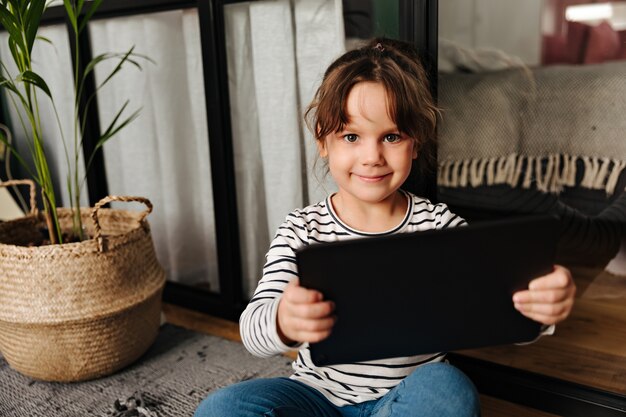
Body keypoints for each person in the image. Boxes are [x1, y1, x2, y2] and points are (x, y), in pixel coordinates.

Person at [194, 38, 576, 417]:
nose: (372, 156)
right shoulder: (302, 229)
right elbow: (251, 331)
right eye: (351, 136)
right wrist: (283, 320)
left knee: (448, 389)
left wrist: (540, 309)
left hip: (405, 401)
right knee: (223, 409)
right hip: (315, 399)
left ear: (415, 142)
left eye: (391, 136)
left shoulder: (441, 226)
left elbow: (495, 307)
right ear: (323, 142)